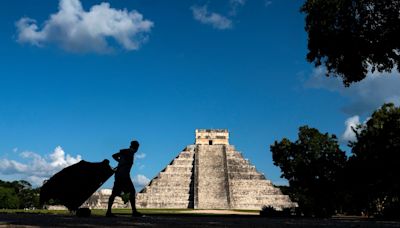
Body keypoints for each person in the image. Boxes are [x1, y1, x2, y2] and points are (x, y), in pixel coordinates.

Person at [106, 140, 141, 217]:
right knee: (132, 191)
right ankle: (134, 211)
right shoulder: (130, 152)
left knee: (114, 193)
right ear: (136, 147)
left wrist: (120, 161)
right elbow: (119, 156)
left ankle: (108, 211)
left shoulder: (126, 151)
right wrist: (123, 162)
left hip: (119, 174)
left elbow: (114, 155)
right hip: (124, 175)